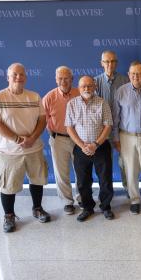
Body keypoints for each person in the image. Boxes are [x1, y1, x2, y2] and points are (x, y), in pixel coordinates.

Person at [0, 63, 50, 233]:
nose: (18, 77)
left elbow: (42, 120)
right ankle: (9, 216)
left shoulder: (34, 97)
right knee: (8, 185)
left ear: (25, 77)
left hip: (34, 148)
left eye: (21, 74)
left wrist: (32, 138)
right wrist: (17, 139)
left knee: (37, 181)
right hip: (9, 151)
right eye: (14, 74)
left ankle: (37, 209)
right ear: (8, 77)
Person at [112, 61, 141, 215]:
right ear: (128, 75)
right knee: (130, 170)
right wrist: (116, 139)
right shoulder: (120, 91)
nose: (136, 77)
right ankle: (134, 200)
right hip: (126, 136)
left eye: (139, 73)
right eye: (133, 74)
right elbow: (115, 117)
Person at [65, 75, 114, 222]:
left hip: (100, 146)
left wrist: (96, 144)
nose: (86, 88)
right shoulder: (72, 104)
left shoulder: (102, 103)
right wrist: (82, 145)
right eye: (83, 86)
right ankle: (87, 207)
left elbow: (108, 126)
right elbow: (69, 128)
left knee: (105, 179)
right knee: (82, 181)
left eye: (89, 86)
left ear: (95, 87)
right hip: (81, 148)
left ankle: (106, 207)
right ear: (78, 88)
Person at [42, 66, 81, 215]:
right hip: (58, 139)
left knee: (81, 171)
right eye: (60, 78)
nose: (63, 81)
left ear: (72, 79)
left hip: (79, 139)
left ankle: (82, 198)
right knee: (61, 173)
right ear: (56, 79)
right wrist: (52, 132)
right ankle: (67, 202)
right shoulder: (49, 97)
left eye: (66, 78)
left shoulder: (80, 94)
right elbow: (42, 119)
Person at [94, 50, 130, 194]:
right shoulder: (94, 82)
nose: (110, 64)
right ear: (101, 63)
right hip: (102, 132)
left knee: (125, 162)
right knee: (105, 165)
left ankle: (129, 188)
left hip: (121, 129)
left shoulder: (125, 80)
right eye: (107, 61)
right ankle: (107, 193)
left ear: (116, 63)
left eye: (113, 61)